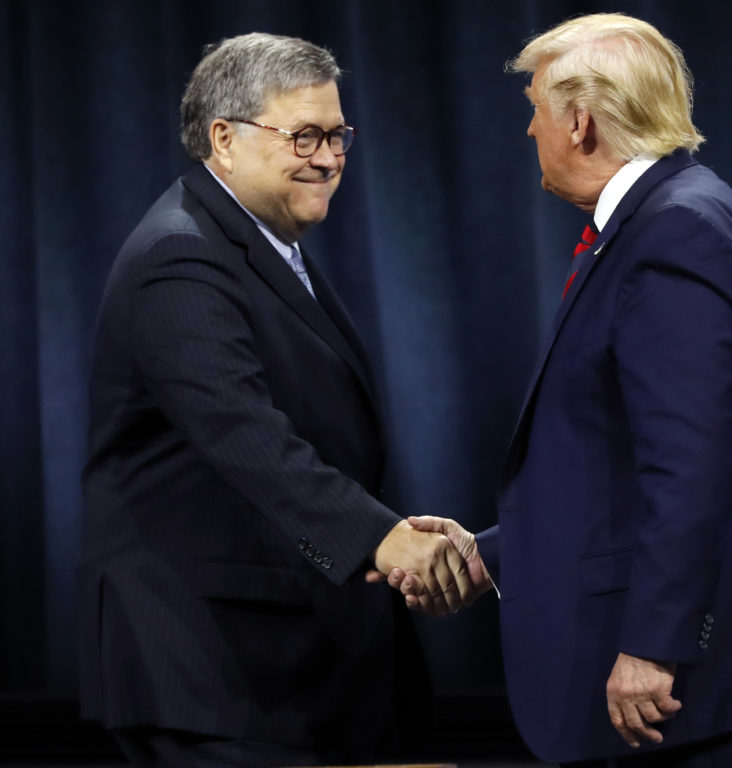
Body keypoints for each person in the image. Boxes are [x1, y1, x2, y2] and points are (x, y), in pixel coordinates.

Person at [388, 12, 732, 767]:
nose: (529, 131)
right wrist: (490, 558)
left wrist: (656, 646)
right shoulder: (676, 216)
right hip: (711, 690)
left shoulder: (675, 233)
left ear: (579, 124)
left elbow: (693, 463)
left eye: (535, 110)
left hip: (702, 695)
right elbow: (621, 465)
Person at [79, 32, 477, 768]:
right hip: (213, 674)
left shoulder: (264, 245)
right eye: (304, 135)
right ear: (223, 139)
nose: (328, 158)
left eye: (337, 135)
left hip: (293, 669)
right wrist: (383, 539)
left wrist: (390, 534)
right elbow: (244, 436)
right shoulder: (181, 255)